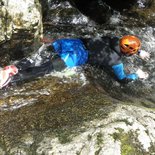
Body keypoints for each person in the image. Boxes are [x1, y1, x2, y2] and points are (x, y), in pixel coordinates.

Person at [0, 35, 150, 89]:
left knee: (38, 57)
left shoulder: (113, 38)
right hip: (72, 57)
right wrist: (137, 75)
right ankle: (9, 79)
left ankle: (12, 68)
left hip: (69, 43)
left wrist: (138, 52)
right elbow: (123, 80)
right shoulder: (115, 61)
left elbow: (125, 46)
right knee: (42, 69)